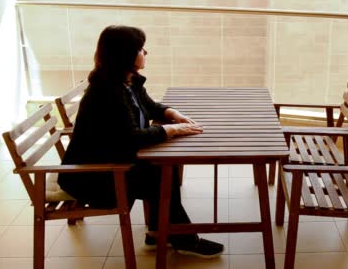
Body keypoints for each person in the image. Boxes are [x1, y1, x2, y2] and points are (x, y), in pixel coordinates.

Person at [58, 25, 224, 258]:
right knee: (160, 174)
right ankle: (180, 237)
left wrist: (171, 113)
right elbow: (131, 139)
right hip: (92, 176)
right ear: (125, 54)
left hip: (108, 160)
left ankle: (161, 232)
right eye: (140, 48)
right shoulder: (107, 91)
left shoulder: (125, 80)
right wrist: (172, 130)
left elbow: (149, 105)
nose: (146, 52)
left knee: (162, 169)